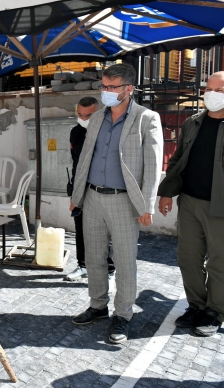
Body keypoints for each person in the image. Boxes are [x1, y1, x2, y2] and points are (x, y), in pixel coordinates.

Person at [70, 63, 163, 344]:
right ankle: (98, 305)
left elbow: (153, 164)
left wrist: (147, 206)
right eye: (103, 86)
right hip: (93, 198)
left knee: (124, 262)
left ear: (128, 89)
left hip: (124, 201)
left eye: (112, 87)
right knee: (94, 259)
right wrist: (77, 196)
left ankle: (122, 315)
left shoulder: (147, 118)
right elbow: (84, 158)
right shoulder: (97, 118)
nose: (106, 92)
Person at [157, 71, 224, 337]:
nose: (211, 94)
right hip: (190, 202)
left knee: (221, 263)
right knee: (188, 258)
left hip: (223, 208)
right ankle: (196, 305)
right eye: (208, 89)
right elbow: (177, 161)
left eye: (220, 90)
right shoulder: (192, 123)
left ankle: (216, 312)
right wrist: (167, 193)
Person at [65, 97, 116, 281]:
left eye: (88, 115)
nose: (84, 118)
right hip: (81, 189)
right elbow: (76, 164)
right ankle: (83, 265)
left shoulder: (108, 130)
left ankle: (109, 270)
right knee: (80, 228)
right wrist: (73, 194)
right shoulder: (76, 132)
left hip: (104, 189)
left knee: (105, 231)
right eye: (80, 114)